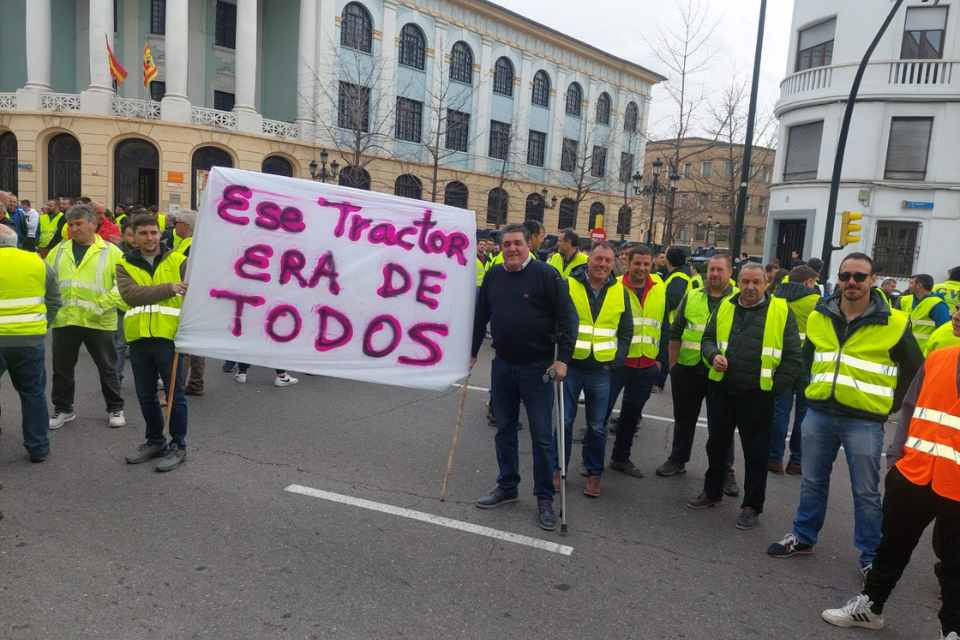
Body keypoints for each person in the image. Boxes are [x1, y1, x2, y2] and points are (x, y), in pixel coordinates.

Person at [767, 252, 923, 574]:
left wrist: (890, 405)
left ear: (872, 280)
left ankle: (870, 557)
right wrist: (813, 391)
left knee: (865, 491)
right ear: (838, 279)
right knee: (811, 481)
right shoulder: (819, 314)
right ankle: (803, 536)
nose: (851, 282)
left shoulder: (893, 322)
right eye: (846, 276)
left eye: (859, 277)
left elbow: (914, 370)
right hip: (820, 412)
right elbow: (808, 357)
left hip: (864, 420)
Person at [820, 345, 960, 638]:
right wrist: (897, 458)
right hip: (915, 472)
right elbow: (910, 406)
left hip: (955, 485)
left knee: (955, 564)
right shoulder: (939, 357)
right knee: (892, 546)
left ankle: (953, 630)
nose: (958, 313)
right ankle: (870, 608)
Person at [471, 223, 576, 532]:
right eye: (507, 244)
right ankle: (507, 485)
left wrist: (563, 360)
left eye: (518, 243)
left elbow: (568, 319)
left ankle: (544, 497)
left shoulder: (546, 275)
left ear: (528, 244)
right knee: (504, 429)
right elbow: (481, 316)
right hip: (502, 365)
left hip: (538, 368)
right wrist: (472, 351)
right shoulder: (494, 275)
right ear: (500, 247)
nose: (513, 249)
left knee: (543, 437)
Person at [687, 263, 803, 530]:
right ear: (738, 282)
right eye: (745, 282)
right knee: (716, 445)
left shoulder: (781, 311)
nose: (750, 288)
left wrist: (775, 389)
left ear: (766, 284)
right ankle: (712, 491)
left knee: (756, 454)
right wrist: (712, 354)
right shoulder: (725, 305)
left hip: (758, 396)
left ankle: (752, 505)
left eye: (756, 282)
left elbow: (794, 358)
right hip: (723, 390)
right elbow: (707, 338)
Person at [655, 254, 739, 498]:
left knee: (722, 425)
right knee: (684, 418)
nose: (714, 274)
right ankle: (678, 459)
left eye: (719, 270)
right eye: (711, 270)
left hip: (720, 372)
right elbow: (676, 331)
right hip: (689, 368)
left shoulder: (738, 300)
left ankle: (726, 471)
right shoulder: (693, 295)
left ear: (729, 273)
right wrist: (673, 367)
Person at [554, 242, 632, 498]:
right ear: (589, 260)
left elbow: (626, 331)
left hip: (601, 369)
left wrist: (617, 360)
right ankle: (558, 469)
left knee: (597, 426)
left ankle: (594, 473)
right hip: (572, 365)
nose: (602, 265)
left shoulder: (621, 291)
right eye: (598, 259)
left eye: (607, 261)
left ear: (613, 265)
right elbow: (556, 320)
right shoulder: (569, 285)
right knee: (564, 421)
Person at [117, 214, 189, 472]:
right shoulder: (124, 264)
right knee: (146, 395)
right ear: (134, 237)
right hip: (138, 339)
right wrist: (170, 288)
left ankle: (178, 446)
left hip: (169, 339)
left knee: (175, 395)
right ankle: (155, 441)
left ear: (161, 234)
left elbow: (193, 289)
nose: (150, 238)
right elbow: (131, 296)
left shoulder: (179, 260)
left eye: (153, 233)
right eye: (144, 233)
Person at [45, 204, 126, 430]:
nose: (73, 229)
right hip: (66, 319)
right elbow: (47, 281)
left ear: (93, 224)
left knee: (108, 368)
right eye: (70, 225)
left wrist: (101, 305)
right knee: (62, 370)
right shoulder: (59, 250)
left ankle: (115, 408)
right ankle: (63, 409)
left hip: (98, 320)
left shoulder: (111, 252)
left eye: (78, 224)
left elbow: (124, 286)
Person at [606, 244, 669, 478]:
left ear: (651, 264)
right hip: (617, 364)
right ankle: (590, 463)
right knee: (600, 415)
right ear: (627, 263)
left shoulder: (659, 287)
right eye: (637, 263)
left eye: (646, 264)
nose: (641, 268)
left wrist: (661, 362)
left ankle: (621, 459)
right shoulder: (615, 286)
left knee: (631, 417)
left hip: (646, 364)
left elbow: (664, 326)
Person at [0, 225, 61, 462]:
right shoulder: (37, 262)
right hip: (29, 340)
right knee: (32, 393)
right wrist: (41, 326)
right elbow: (54, 300)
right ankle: (37, 447)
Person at [769, 264, 821, 475]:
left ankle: (774, 458)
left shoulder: (776, 299)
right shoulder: (816, 302)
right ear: (808, 282)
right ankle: (797, 461)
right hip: (807, 364)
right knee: (803, 415)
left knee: (779, 412)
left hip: (782, 362)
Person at [900, 274, 951, 353]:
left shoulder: (938, 305)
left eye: (911, 283)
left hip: (923, 352)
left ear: (919, 285)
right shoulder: (905, 300)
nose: (909, 286)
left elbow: (943, 330)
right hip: (905, 350)